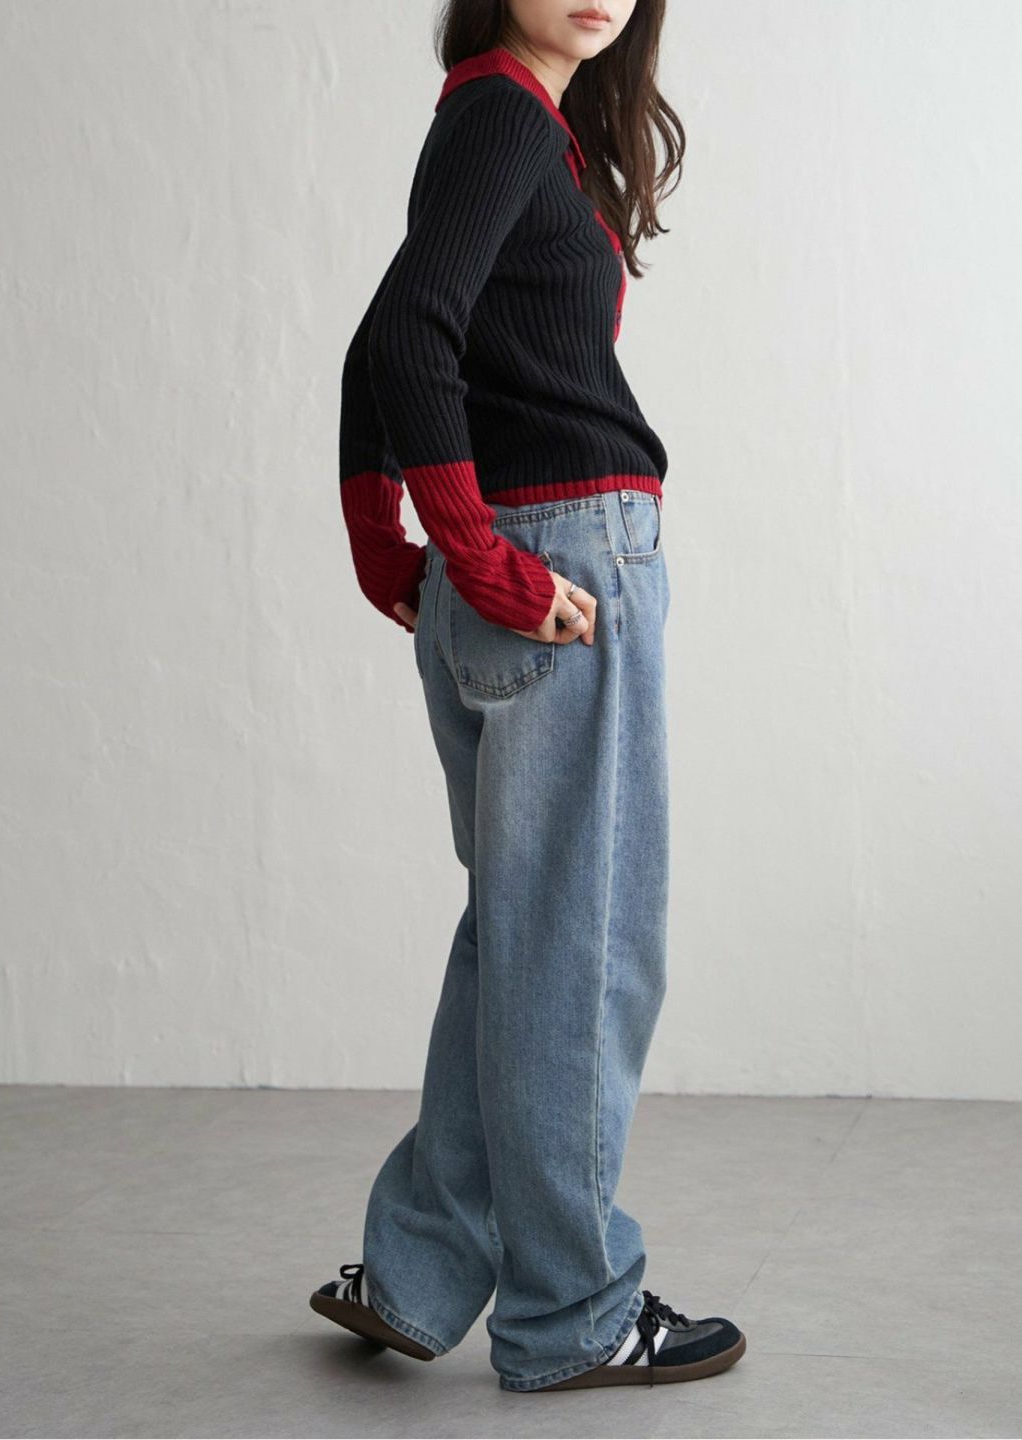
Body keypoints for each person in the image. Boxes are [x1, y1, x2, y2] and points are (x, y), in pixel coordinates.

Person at [311, 0, 746, 1394]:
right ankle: (572, 1312)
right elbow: (409, 335)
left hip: (515, 565)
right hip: (563, 565)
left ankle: (418, 1270)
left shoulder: (501, 121)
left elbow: (382, 338)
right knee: (584, 950)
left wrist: (395, 540)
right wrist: (479, 563)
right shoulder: (502, 110)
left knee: (518, 936)